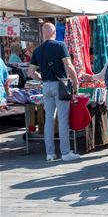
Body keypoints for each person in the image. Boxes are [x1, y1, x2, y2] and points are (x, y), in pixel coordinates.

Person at [28, 23, 80, 161]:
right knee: (63, 120)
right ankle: (65, 152)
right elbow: (68, 66)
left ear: (43, 33)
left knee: (48, 120)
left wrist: (42, 79)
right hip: (60, 85)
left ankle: (49, 153)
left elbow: (31, 72)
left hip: (46, 86)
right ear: (54, 32)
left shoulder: (38, 50)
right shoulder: (60, 45)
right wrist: (75, 82)